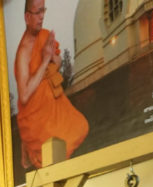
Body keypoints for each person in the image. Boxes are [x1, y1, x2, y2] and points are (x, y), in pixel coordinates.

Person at [14, 0, 89, 169]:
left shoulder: (44, 35)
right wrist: (46, 59)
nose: (42, 17)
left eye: (43, 11)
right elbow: (24, 95)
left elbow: (58, 62)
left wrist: (54, 59)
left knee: (81, 127)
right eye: (37, 12)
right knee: (59, 149)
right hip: (36, 115)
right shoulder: (23, 52)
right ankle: (31, 147)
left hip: (55, 102)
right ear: (27, 17)